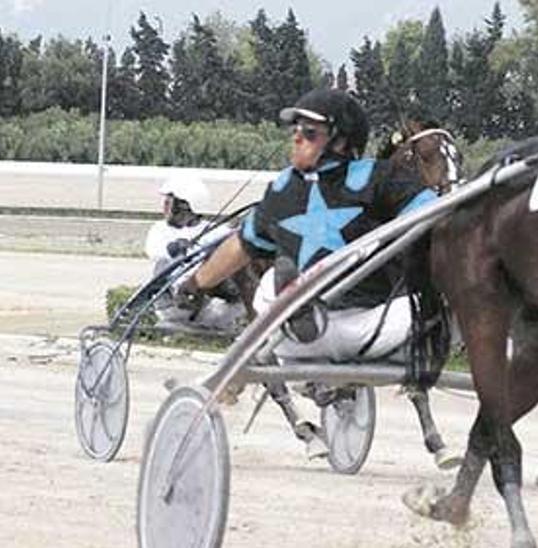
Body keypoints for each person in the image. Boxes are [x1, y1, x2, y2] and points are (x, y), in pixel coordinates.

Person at [176, 88, 446, 458]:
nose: (296, 135)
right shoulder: (283, 188)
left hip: (373, 326)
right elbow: (242, 246)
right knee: (272, 282)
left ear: (341, 139)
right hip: (306, 330)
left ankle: (300, 315)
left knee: (443, 297)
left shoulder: (379, 177)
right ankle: (300, 311)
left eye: (309, 130)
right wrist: (195, 283)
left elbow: (436, 215)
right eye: (296, 129)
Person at [145, 175, 242, 332]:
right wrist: (174, 248)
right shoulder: (159, 229)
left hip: (207, 302)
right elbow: (155, 252)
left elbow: (230, 238)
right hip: (172, 299)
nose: (164, 207)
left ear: (186, 206)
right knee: (165, 267)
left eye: (169, 203)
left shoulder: (213, 230)